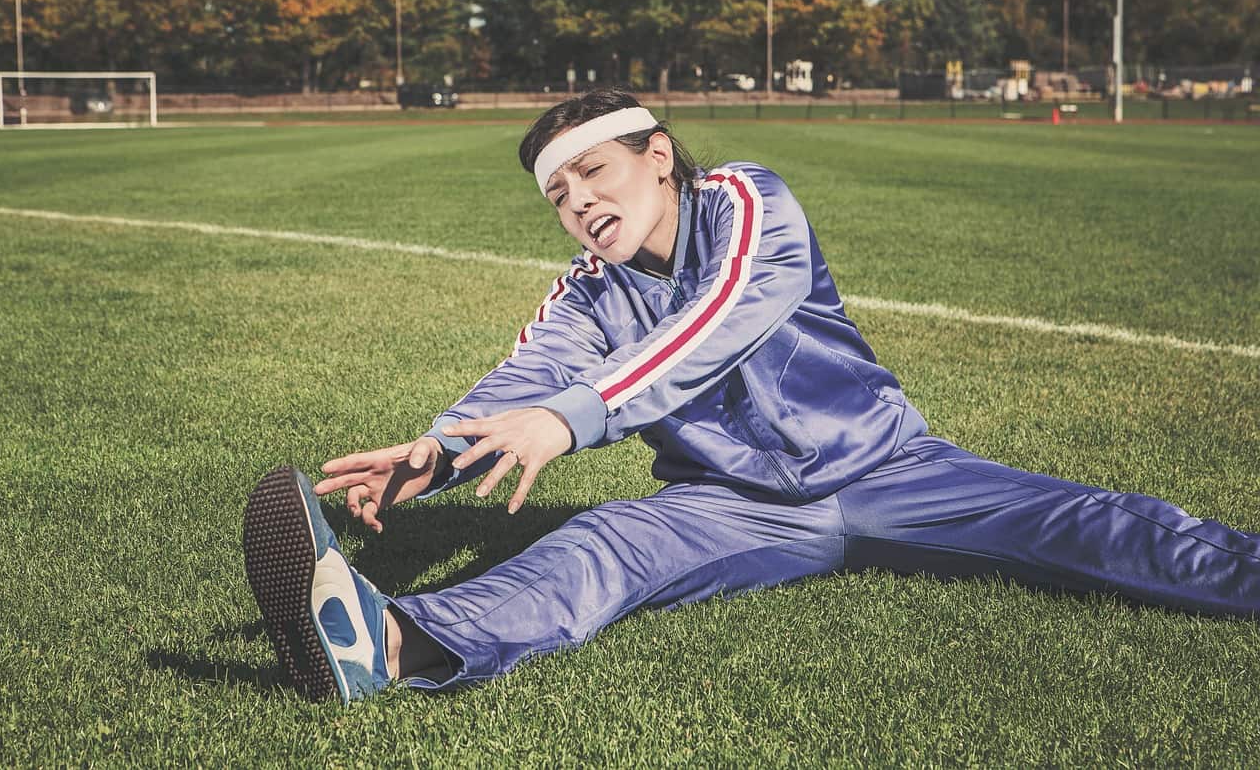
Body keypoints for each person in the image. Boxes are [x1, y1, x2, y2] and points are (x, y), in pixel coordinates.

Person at [242, 88, 1260, 705]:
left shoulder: (745, 202)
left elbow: (719, 320)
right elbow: (523, 379)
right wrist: (437, 452)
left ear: (654, 155)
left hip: (890, 471)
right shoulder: (585, 294)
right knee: (595, 549)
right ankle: (383, 643)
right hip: (727, 506)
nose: (579, 203)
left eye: (592, 172)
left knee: (1092, 526)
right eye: (557, 195)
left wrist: (571, 416)